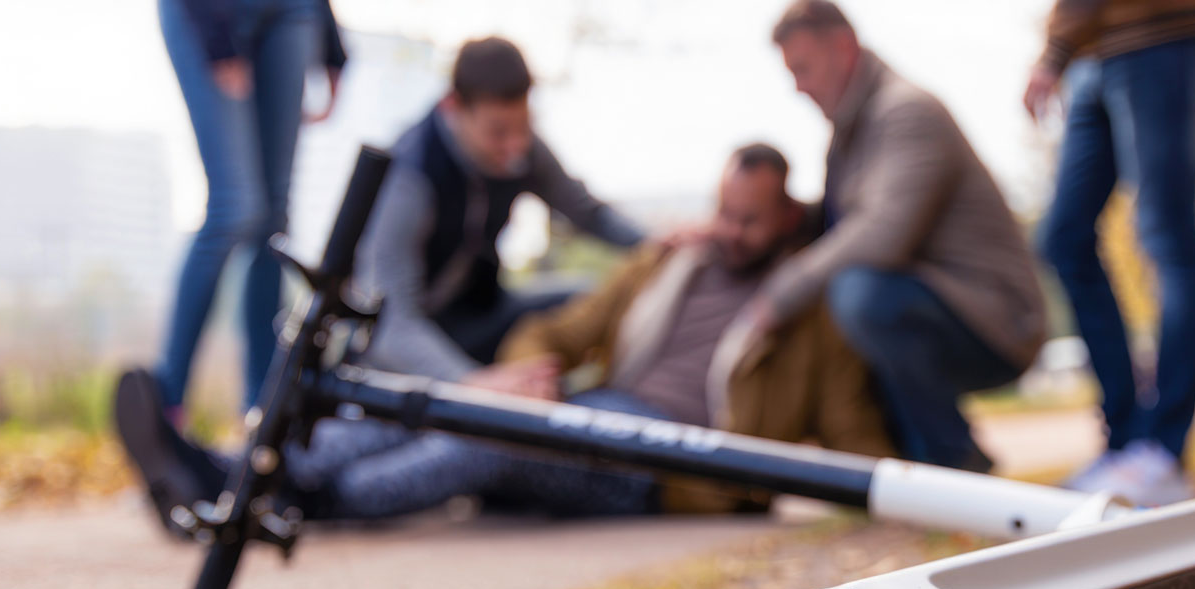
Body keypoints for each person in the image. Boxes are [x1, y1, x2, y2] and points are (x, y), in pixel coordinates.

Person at [112, 144, 893, 528]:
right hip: (599, 410)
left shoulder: (812, 316)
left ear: (788, 216)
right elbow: (559, 328)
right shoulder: (669, 264)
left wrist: (899, 497)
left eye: (749, 219)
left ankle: (291, 497)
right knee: (439, 405)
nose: (729, 230)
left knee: (495, 437)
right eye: (723, 211)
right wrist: (527, 374)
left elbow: (850, 425)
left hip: (668, 467)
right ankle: (230, 470)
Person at [751, 0, 1048, 472]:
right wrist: (740, 224)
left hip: (998, 321)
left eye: (803, 68)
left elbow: (883, 234)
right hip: (935, 304)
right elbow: (833, 224)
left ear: (843, 47)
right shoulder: (851, 132)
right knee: (849, 293)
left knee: (859, 295)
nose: (798, 87)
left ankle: (954, 462)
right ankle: (908, 462)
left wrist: (781, 292)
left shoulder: (906, 112)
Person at [356, 36, 645, 383]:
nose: (515, 147)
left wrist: (662, 247)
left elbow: (589, 214)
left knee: (591, 300)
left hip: (477, 315)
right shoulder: (409, 176)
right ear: (453, 106)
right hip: (407, 348)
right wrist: (472, 383)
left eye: (524, 127)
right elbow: (389, 321)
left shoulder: (525, 151)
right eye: (498, 132)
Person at [1024, 0, 1195, 505]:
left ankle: (1164, 452)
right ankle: (1127, 441)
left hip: (1157, 32)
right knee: (1063, 239)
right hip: (1096, 50)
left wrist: (1053, 52)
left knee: (1167, 236)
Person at [155, 0, 348, 420]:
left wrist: (334, 49)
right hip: (211, 10)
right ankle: (167, 402)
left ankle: (261, 410)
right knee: (233, 206)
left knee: (274, 223)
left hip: (293, 13)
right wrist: (217, 39)